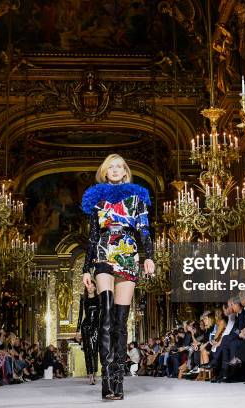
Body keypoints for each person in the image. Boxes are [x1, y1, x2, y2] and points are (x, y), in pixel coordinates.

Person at [81, 154, 155, 400]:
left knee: (121, 323)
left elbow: (144, 229)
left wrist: (149, 256)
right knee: (106, 316)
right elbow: (92, 237)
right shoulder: (96, 198)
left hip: (127, 253)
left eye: (119, 166)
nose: (114, 170)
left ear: (125, 172)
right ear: (105, 171)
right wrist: (85, 269)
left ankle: (118, 381)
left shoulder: (138, 197)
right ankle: (106, 382)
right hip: (104, 252)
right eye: (110, 167)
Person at [76, 281, 100, 385]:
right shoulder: (83, 298)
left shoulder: (99, 298)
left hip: (96, 327)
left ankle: (94, 372)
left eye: (92, 286)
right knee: (88, 351)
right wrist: (78, 331)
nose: (90, 288)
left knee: (94, 351)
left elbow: (102, 313)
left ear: (95, 288)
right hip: (86, 327)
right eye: (88, 286)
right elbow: (80, 315)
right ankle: (90, 375)